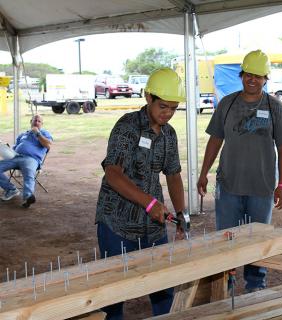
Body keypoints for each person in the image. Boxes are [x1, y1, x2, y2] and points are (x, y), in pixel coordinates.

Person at [197, 50, 282, 292]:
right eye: (248, 74)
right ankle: (224, 288)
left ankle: (255, 289)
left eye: (258, 76)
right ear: (241, 75)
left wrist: (281, 185)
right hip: (229, 186)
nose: (252, 79)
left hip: (261, 189)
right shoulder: (227, 104)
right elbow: (215, 140)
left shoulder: (275, 108)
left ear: (265, 79)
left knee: (257, 243)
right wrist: (203, 173)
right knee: (226, 242)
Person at [95, 68, 187, 319]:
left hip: (153, 225)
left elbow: (173, 174)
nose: (167, 114)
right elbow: (112, 174)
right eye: (163, 107)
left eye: (173, 109)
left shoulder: (169, 134)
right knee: (114, 292)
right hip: (117, 222)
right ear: (148, 97)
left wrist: (181, 213)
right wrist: (149, 203)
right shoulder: (127, 127)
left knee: (163, 287)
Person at [0, 114, 53, 208]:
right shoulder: (23, 135)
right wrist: (6, 150)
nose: (36, 122)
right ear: (31, 122)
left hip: (31, 159)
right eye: (34, 120)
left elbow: (48, 145)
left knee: (28, 173)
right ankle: (11, 189)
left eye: (39, 121)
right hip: (16, 157)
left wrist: (37, 133)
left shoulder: (44, 133)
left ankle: (28, 197)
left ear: (42, 124)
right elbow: (15, 148)